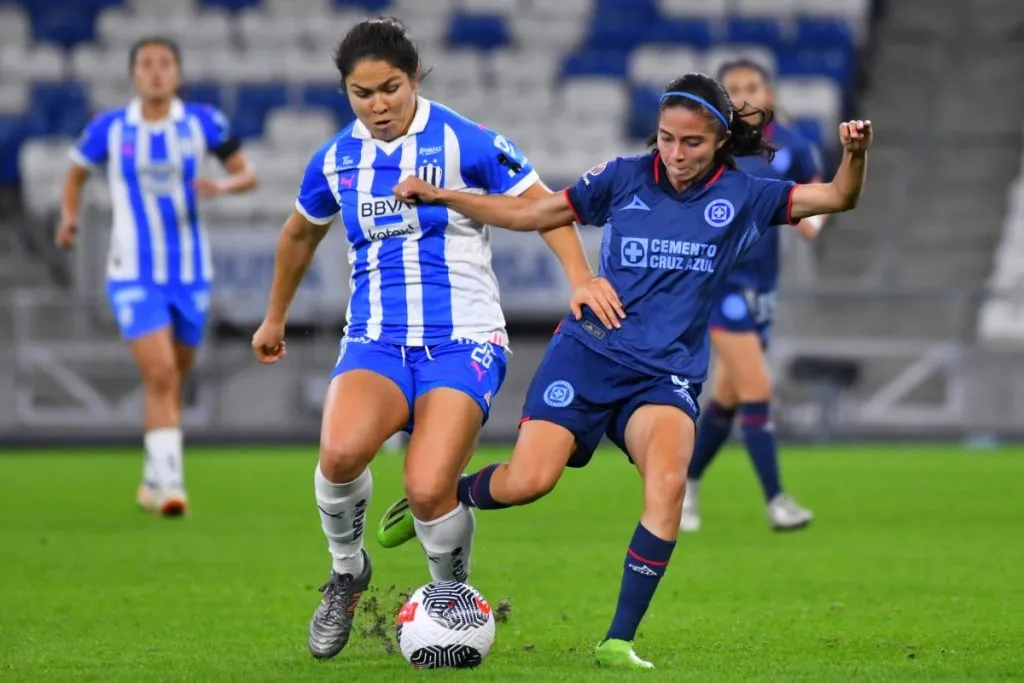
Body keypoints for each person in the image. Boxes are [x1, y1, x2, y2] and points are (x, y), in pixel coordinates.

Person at [379, 73, 873, 669]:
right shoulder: (623, 177)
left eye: (691, 142)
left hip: (663, 377)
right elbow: (535, 211)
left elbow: (839, 198)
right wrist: (446, 197)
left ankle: (618, 640)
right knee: (530, 481)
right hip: (587, 355)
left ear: (719, 140)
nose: (674, 153)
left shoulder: (749, 195)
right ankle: (451, 495)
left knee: (667, 486)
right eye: (665, 138)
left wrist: (855, 154)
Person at [248, 17, 618, 661]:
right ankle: (346, 574)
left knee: (426, 488)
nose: (378, 105)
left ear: (413, 77)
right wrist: (274, 316)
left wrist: (581, 278)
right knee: (338, 454)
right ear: (346, 93)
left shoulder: (466, 141)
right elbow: (299, 234)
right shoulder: (336, 158)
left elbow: (545, 205)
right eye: (362, 94)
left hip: (464, 338)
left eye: (389, 88)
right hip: (375, 340)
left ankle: (450, 596)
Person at [57, 36, 256, 517]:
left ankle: (151, 475)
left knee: (169, 379)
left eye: (165, 63)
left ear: (178, 73)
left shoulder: (201, 122)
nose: (156, 72)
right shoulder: (110, 127)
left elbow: (246, 172)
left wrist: (222, 185)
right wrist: (69, 217)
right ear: (133, 74)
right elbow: (76, 172)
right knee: (162, 373)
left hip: (190, 272)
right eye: (146, 64)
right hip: (133, 271)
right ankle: (171, 486)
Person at [682, 60, 827, 533]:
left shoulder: (793, 145)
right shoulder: (710, 147)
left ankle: (685, 484)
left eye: (752, 86)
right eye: (734, 88)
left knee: (728, 396)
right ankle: (777, 501)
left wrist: (812, 221)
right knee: (758, 387)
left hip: (763, 286)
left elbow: (814, 195)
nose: (744, 95)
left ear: (769, 93)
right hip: (719, 283)